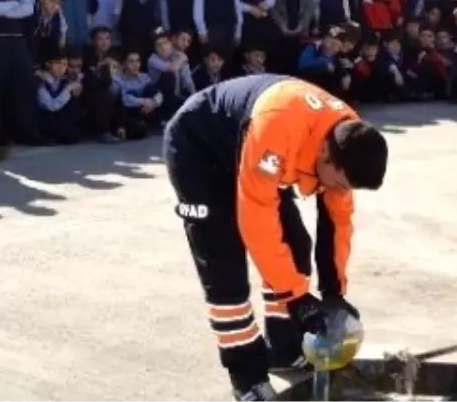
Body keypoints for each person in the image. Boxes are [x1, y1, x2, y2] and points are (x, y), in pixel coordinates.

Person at [162, 75, 388, 402]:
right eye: (341, 184)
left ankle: (284, 347)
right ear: (326, 155)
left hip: (254, 153)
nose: (343, 192)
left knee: (296, 249)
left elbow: (338, 223)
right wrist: (297, 299)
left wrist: (333, 291)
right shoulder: (279, 129)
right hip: (200, 150)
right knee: (225, 266)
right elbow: (257, 221)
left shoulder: (347, 138)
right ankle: (247, 376)